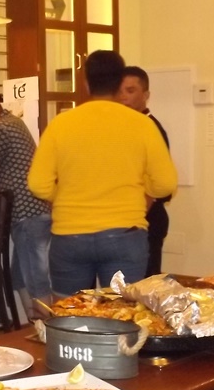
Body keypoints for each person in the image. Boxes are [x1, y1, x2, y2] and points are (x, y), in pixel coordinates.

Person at [27, 50, 178, 295]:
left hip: (70, 235)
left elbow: (37, 184)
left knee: (71, 311)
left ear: (86, 83)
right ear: (119, 84)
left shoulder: (60, 124)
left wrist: (62, 198)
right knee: (121, 311)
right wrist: (140, 194)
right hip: (125, 233)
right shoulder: (142, 125)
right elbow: (165, 184)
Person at [0, 95, 52, 319]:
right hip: (35, 211)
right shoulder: (15, 122)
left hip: (26, 214)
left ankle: (46, 330)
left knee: (35, 277)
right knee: (20, 276)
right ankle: (36, 325)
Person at [117, 65, 172, 276]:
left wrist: (134, 219)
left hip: (146, 219)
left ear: (146, 95)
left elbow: (159, 184)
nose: (123, 97)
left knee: (145, 286)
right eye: (120, 91)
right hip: (125, 221)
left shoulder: (151, 128)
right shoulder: (122, 126)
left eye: (130, 91)